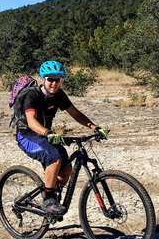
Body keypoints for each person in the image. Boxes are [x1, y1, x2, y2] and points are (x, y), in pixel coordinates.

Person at [15, 60, 107, 216]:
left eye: (57, 79)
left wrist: (95, 127)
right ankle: (48, 200)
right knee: (55, 157)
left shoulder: (59, 95)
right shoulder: (33, 95)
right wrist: (47, 133)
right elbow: (31, 121)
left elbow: (76, 114)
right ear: (43, 79)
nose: (54, 83)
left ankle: (51, 192)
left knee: (66, 169)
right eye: (50, 79)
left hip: (45, 135)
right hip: (27, 135)